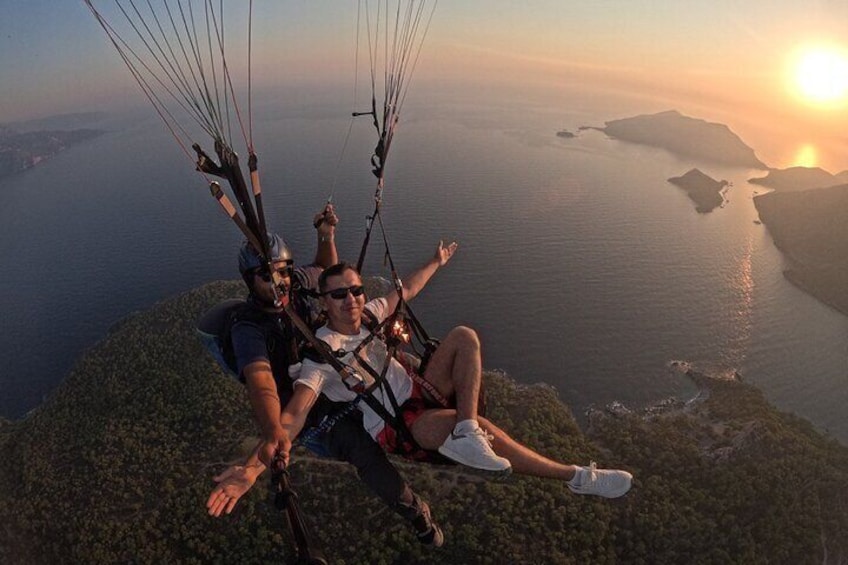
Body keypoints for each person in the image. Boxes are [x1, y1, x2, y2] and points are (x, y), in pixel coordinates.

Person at [274, 242, 634, 498]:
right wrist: (264, 458)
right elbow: (297, 410)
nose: (351, 299)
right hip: (399, 423)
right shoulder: (322, 354)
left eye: (355, 290)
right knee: (490, 431)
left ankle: (466, 429)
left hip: (418, 391)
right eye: (339, 295)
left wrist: (437, 260)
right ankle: (577, 477)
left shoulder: (369, 315)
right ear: (325, 302)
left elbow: (408, 289)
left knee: (464, 336)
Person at [205, 205, 444, 547]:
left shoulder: (297, 286)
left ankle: (450, 420)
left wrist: (325, 234)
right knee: (362, 450)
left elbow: (324, 269)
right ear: (249, 280)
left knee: (400, 360)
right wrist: (255, 465)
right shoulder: (249, 328)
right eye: (266, 275)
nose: (279, 281)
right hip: (307, 400)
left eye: (283, 271)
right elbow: (262, 383)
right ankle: (415, 512)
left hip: (334, 361)